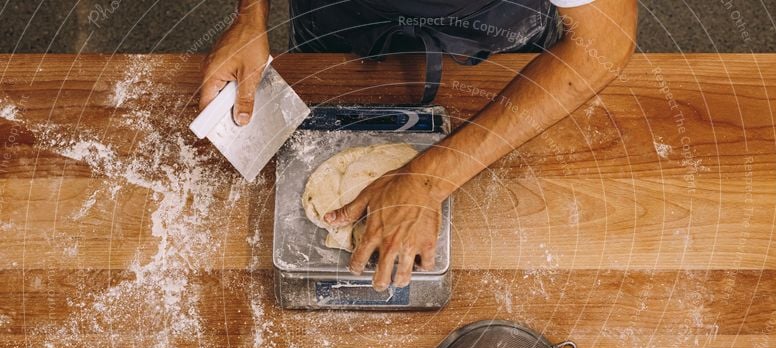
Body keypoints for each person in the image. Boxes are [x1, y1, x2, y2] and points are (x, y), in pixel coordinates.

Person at [200, 0, 637, 291]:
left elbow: (605, 40)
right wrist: (249, 17)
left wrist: (428, 180)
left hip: (495, 61)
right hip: (341, 31)